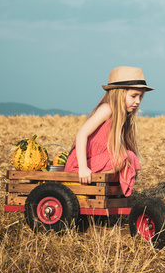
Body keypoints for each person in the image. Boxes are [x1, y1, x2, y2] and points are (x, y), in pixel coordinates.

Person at [63, 66, 153, 197]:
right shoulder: (107, 109)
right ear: (119, 93)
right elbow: (82, 133)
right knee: (125, 156)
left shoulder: (122, 116)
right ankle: (97, 188)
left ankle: (107, 190)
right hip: (82, 165)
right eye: (134, 96)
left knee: (130, 157)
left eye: (140, 97)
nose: (138, 101)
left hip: (99, 162)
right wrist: (83, 167)